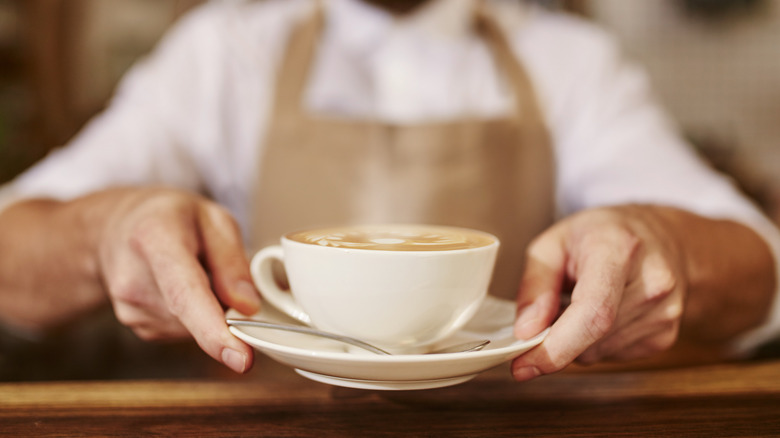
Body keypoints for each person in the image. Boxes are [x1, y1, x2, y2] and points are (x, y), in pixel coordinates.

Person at [0, 0, 778, 381]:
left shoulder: (571, 61)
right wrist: (108, 232)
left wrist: (665, 246)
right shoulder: (225, 49)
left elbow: (760, 270)